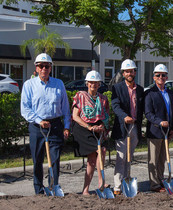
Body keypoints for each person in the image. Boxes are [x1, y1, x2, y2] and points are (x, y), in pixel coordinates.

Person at [20, 53, 71, 195]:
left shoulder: (58, 84)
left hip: (55, 126)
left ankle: (53, 187)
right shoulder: (29, 85)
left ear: (50, 68)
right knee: (37, 160)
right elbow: (25, 108)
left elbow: (65, 107)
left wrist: (66, 126)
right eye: (41, 66)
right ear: (36, 68)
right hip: (37, 127)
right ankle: (38, 189)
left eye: (47, 66)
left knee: (54, 160)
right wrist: (39, 121)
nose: (44, 68)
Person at [71, 71, 110, 195]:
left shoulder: (103, 99)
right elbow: (75, 116)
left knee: (92, 160)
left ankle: (86, 189)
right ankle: (100, 182)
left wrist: (101, 126)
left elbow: (106, 117)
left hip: (97, 129)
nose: (93, 85)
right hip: (83, 129)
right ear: (87, 83)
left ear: (99, 84)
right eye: (91, 82)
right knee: (101, 151)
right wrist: (89, 127)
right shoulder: (80, 96)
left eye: (96, 83)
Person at [111, 59, 144, 195]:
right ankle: (118, 186)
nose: (130, 73)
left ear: (135, 72)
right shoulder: (117, 88)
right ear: (123, 73)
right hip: (122, 127)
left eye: (132, 71)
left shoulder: (140, 89)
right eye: (127, 71)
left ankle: (127, 180)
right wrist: (124, 116)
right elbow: (115, 105)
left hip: (135, 127)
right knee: (121, 156)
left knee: (129, 156)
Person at [145, 64, 173, 192]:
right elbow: (148, 113)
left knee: (162, 158)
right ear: (154, 77)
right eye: (158, 75)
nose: (161, 77)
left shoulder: (170, 93)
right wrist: (159, 122)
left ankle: (161, 180)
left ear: (166, 77)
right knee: (153, 159)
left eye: (163, 75)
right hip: (155, 131)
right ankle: (154, 184)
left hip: (167, 132)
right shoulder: (150, 93)